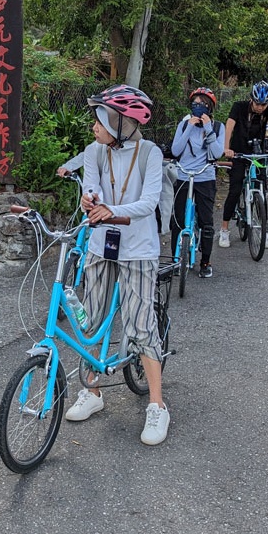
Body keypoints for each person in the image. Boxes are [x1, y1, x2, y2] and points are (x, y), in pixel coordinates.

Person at [62, 84, 171, 446]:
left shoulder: (150, 154)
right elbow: (92, 189)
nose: (94, 125)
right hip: (100, 246)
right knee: (90, 321)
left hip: (139, 249)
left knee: (141, 326)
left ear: (123, 121)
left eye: (101, 118)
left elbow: (149, 202)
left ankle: (157, 404)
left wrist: (113, 211)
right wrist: (89, 199)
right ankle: (93, 391)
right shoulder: (95, 151)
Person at [218, 81, 268, 249]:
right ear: (251, 100)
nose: (260, 107)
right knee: (234, 190)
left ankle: (264, 230)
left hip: (258, 153)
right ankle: (224, 229)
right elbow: (229, 126)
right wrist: (226, 147)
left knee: (261, 191)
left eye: (264, 104)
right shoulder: (239, 107)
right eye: (258, 104)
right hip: (238, 153)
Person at [170, 87, 225, 277]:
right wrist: (189, 127)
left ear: (210, 107)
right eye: (196, 103)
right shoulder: (184, 124)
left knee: (206, 221)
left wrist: (207, 128)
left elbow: (217, 153)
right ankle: (175, 260)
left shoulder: (218, 127)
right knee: (177, 219)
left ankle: (206, 262)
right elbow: (176, 150)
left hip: (204, 177)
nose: (199, 106)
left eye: (203, 103)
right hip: (184, 176)